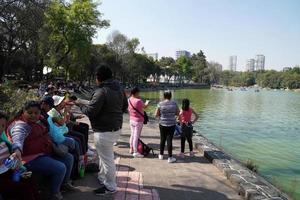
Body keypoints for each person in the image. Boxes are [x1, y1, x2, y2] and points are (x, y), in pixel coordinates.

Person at [75, 64, 128, 195]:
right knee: (105, 157)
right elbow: (124, 106)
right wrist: (82, 102)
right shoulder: (119, 89)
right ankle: (103, 178)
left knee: (107, 159)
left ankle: (110, 187)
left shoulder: (101, 91)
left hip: (104, 131)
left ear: (98, 78)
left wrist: (79, 105)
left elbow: (91, 111)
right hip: (115, 128)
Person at [7, 101, 76, 200]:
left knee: (69, 158)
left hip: (42, 152)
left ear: (40, 113)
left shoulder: (39, 120)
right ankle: (54, 193)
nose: (33, 115)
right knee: (60, 167)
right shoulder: (21, 125)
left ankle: (64, 184)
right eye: (30, 113)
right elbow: (18, 138)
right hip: (29, 158)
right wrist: (17, 150)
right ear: (23, 112)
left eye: (36, 113)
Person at [0, 111, 39, 200]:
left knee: (29, 181)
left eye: (3, 126)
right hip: (2, 177)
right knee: (22, 189)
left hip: (9, 171)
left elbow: (7, 161)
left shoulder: (3, 141)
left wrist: (14, 160)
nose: (1, 129)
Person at [155, 90, 179, 163]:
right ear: (170, 96)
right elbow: (178, 113)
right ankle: (170, 157)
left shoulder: (160, 104)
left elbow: (156, 114)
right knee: (169, 140)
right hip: (172, 124)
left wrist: (161, 115)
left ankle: (161, 155)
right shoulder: (174, 103)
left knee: (162, 139)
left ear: (164, 96)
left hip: (162, 123)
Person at [128, 87, 149, 158]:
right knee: (136, 136)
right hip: (138, 121)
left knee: (132, 134)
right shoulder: (138, 101)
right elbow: (145, 107)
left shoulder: (129, 99)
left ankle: (131, 148)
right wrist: (147, 102)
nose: (139, 94)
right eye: (138, 93)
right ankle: (135, 152)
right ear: (136, 93)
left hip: (131, 119)